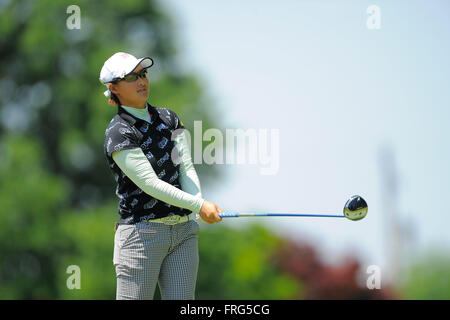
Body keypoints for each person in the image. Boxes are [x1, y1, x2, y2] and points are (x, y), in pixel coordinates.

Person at [99, 52, 223, 300]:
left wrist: (196, 207)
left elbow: (185, 167)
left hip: (183, 232)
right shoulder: (119, 132)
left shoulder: (169, 118)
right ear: (114, 88)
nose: (142, 80)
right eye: (132, 77)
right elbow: (150, 184)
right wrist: (199, 205)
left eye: (143, 74)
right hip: (140, 235)